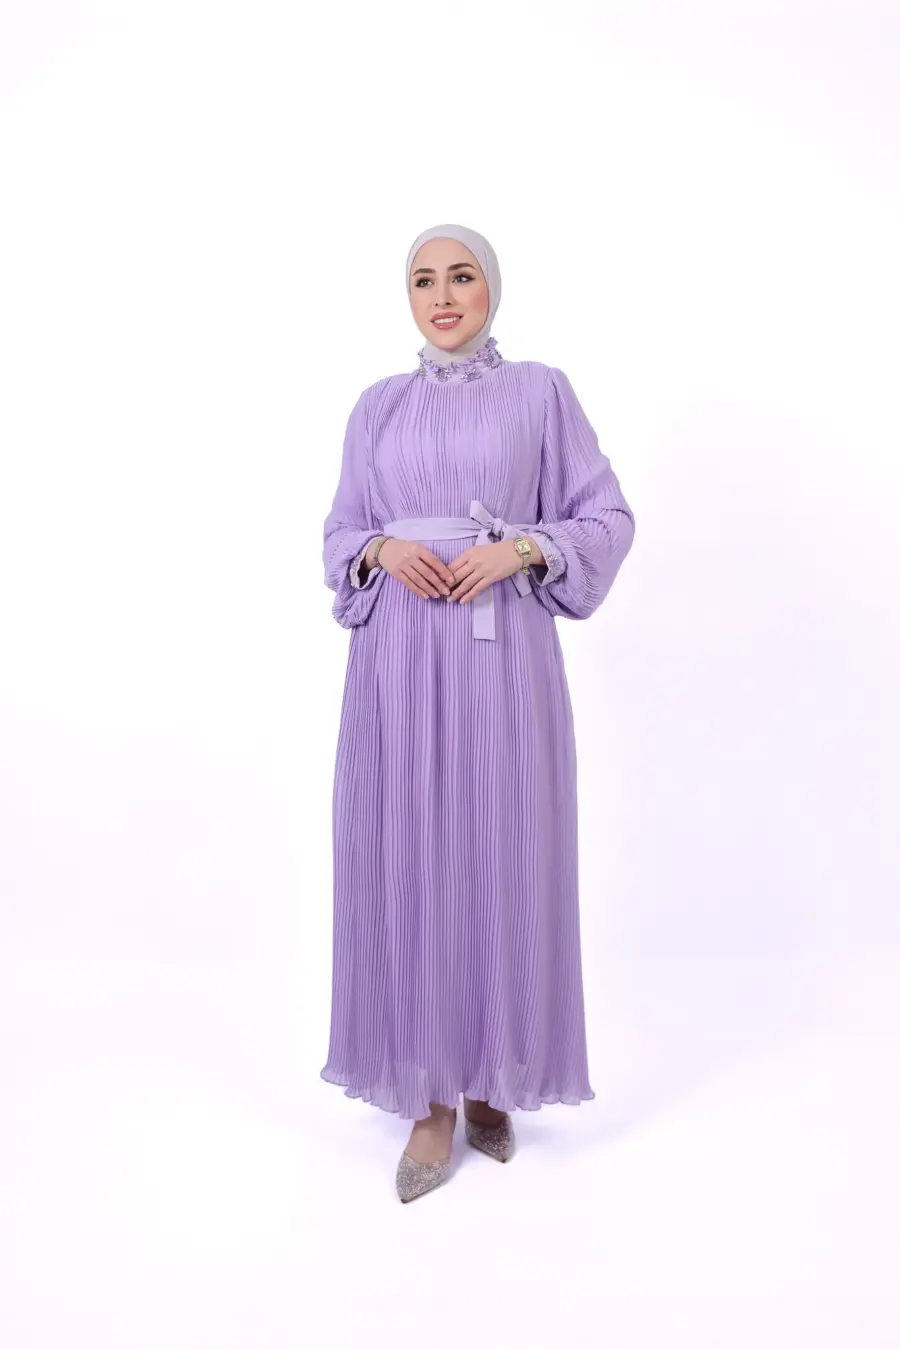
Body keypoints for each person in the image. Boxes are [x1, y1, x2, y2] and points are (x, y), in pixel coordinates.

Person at [321, 222, 635, 1203]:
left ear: (491, 288)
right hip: (398, 658)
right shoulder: (376, 406)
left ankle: (496, 1069)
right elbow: (338, 531)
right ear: (408, 296)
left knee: (502, 848)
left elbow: (606, 515)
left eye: (462, 276)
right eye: (425, 280)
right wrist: (380, 548)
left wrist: (524, 546)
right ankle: (428, 1095)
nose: (444, 295)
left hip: (502, 656)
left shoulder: (540, 392)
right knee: (409, 852)